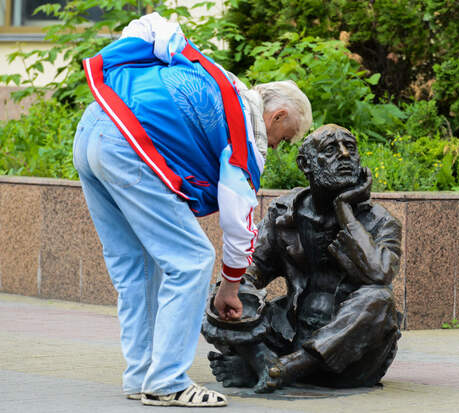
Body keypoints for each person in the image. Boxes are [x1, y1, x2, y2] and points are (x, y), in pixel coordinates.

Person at [72, 12, 312, 407]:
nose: (277, 146)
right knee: (193, 259)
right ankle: (167, 381)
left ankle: (141, 376)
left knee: (137, 265)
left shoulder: (219, 79)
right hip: (128, 147)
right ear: (278, 115)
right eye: (282, 137)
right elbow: (239, 223)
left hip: (94, 127)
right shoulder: (246, 132)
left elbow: (151, 25)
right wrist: (229, 289)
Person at [203, 124, 402, 393]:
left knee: (378, 299)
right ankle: (264, 362)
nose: (345, 155)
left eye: (350, 148)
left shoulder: (380, 221)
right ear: (305, 164)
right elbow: (250, 269)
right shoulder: (284, 213)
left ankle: (281, 369)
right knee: (225, 292)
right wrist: (237, 291)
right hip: (290, 333)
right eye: (331, 149)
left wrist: (345, 212)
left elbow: (379, 274)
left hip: (352, 353)